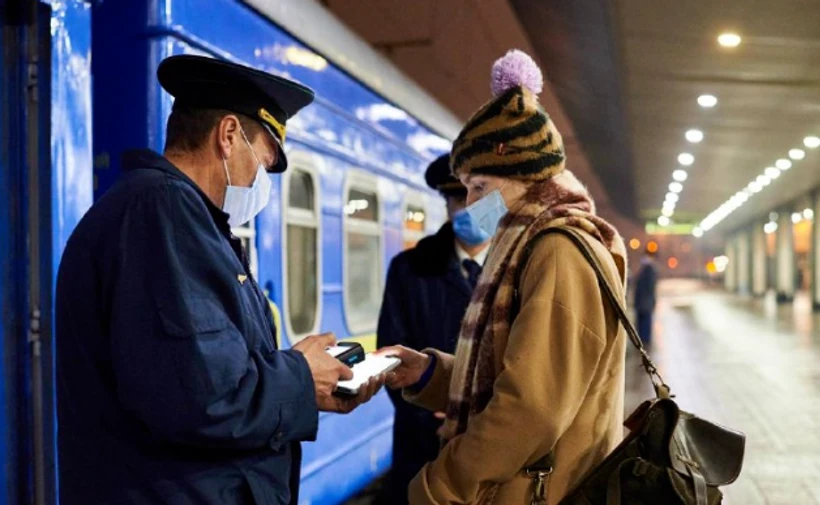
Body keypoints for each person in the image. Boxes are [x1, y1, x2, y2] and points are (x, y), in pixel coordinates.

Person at [55, 54, 383, 505]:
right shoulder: (161, 214)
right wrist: (302, 379)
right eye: (263, 163)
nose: (261, 181)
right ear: (228, 135)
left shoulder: (182, 218)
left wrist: (306, 379)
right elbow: (202, 398)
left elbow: (201, 366)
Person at [380, 49, 629, 505]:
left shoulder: (556, 249)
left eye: (479, 187)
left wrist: (442, 483)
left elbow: (530, 407)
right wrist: (430, 372)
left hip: (542, 490)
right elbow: (508, 373)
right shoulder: (534, 244)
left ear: (523, 176)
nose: (471, 203)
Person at [376, 154, 491, 505]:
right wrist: (430, 411)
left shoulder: (523, 269)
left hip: (490, 444)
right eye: (457, 199)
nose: (466, 209)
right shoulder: (410, 268)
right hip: (422, 444)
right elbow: (391, 352)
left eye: (477, 198)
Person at [634, 250, 658, 345]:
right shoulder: (645, 269)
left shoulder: (649, 270)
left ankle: (644, 341)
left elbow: (649, 287)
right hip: (642, 302)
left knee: (645, 324)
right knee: (642, 323)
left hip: (645, 302)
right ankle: (642, 340)